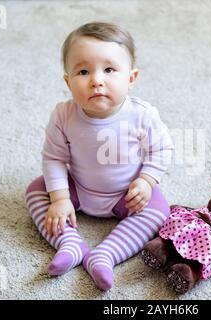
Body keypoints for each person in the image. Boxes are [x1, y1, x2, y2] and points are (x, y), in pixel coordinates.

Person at [24, 22, 174, 291]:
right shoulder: (63, 115)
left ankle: (105, 255)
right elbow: (54, 158)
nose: (96, 80)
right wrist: (59, 199)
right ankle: (69, 243)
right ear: (68, 82)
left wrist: (146, 181)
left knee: (159, 210)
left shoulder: (142, 115)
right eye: (83, 71)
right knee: (36, 188)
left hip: (126, 195)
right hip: (79, 190)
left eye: (109, 70)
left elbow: (161, 150)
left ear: (131, 78)